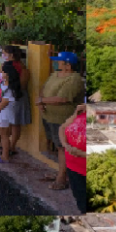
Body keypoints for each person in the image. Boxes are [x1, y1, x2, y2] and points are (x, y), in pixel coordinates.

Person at [38, 51, 85, 190]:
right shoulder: (55, 74)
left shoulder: (74, 79)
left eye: (59, 61)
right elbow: (44, 87)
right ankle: (60, 171)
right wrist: (41, 102)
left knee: (62, 148)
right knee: (56, 146)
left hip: (62, 119)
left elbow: (63, 99)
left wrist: (41, 100)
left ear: (68, 65)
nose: (56, 63)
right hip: (49, 116)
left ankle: (62, 179)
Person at [2, 45, 31, 155]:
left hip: (15, 96)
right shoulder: (20, 68)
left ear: (11, 55)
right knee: (13, 124)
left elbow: (22, 86)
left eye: (5, 53)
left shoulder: (21, 69)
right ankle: (9, 146)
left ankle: (11, 146)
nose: (3, 56)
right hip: (13, 96)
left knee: (13, 123)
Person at [60, 104, 88, 212]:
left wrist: (81, 154)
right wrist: (65, 144)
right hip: (72, 167)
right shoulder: (80, 113)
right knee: (79, 199)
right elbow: (62, 128)